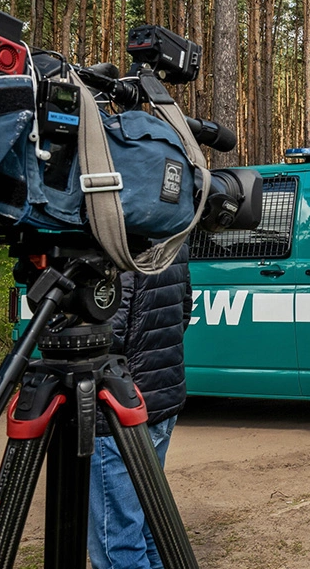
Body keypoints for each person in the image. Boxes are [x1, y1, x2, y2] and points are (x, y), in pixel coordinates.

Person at [88, 244, 192, 569]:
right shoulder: (173, 232)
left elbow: (106, 331)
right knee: (151, 526)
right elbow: (184, 310)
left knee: (117, 541)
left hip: (119, 408)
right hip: (162, 398)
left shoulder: (116, 241)